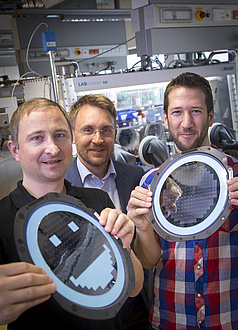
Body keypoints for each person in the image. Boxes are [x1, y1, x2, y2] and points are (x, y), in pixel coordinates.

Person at [0, 97, 144, 330]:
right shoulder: (3, 218)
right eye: (37, 138)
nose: (53, 148)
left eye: (60, 135)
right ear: (15, 149)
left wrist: (124, 246)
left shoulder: (97, 200)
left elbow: (135, 287)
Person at [127, 72, 238, 329]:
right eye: (177, 112)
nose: (186, 123)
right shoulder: (150, 183)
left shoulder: (236, 174)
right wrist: (142, 227)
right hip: (171, 319)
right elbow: (149, 261)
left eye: (196, 111)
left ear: (210, 116)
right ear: (165, 119)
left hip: (228, 318)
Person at [65, 94, 152, 329]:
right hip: (91, 312)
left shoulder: (136, 177)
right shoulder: (61, 187)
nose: (98, 139)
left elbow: (146, 245)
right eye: (88, 130)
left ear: (115, 133)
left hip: (138, 306)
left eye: (105, 130)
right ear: (73, 134)